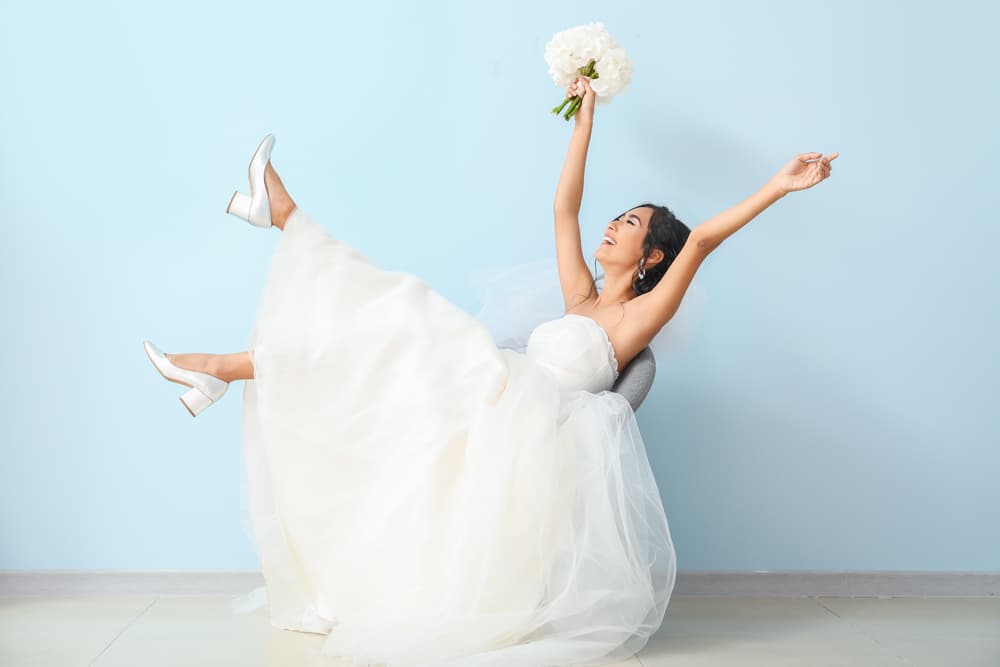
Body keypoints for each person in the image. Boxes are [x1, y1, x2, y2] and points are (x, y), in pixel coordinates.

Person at [142, 75, 837, 667]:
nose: (611, 227)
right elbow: (564, 207)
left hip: (529, 425)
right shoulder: (581, 299)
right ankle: (228, 354)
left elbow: (707, 238)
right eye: (618, 217)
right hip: (493, 391)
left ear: (652, 257)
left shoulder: (634, 322)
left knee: (404, 316)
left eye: (629, 224)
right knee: (379, 341)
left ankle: (277, 241)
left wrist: (781, 183)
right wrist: (585, 118)